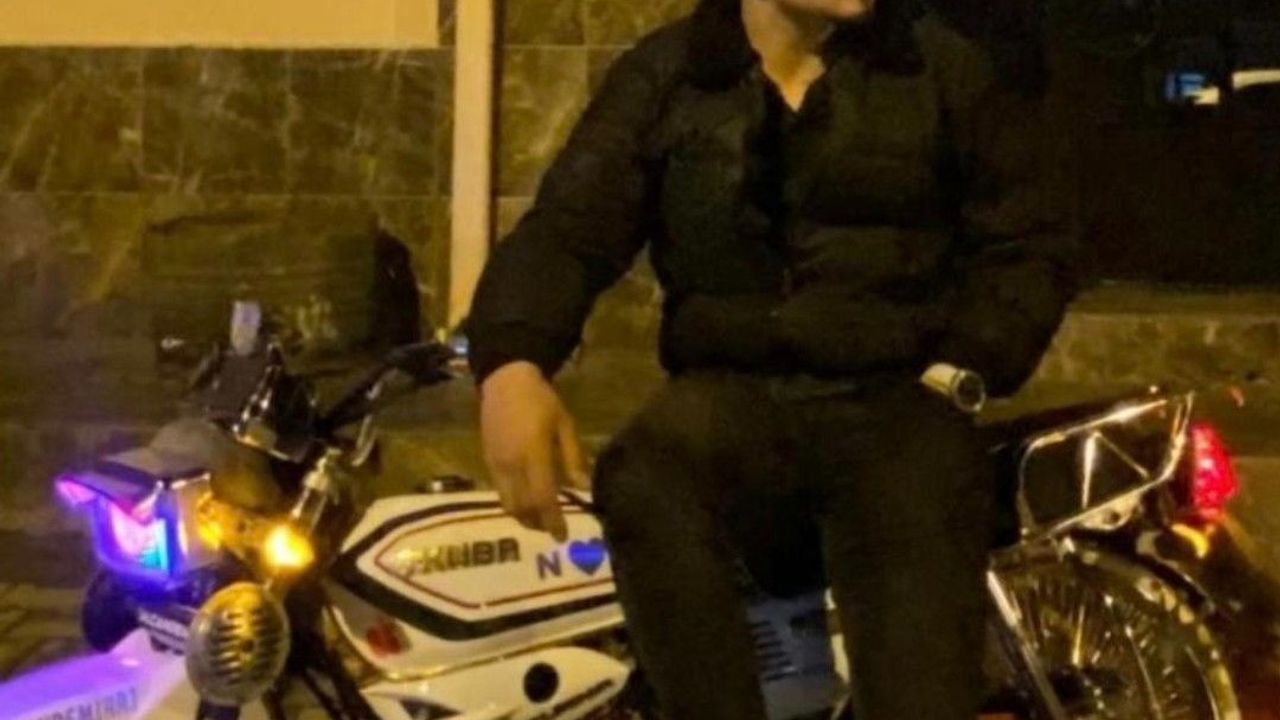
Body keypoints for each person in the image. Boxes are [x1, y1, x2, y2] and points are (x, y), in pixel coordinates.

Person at [465, 0, 1078, 717]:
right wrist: (511, 364)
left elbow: (1029, 244)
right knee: (644, 476)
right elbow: (568, 230)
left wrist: (964, 369)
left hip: (893, 402)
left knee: (920, 512)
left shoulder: (941, 67)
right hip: (728, 399)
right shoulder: (670, 76)